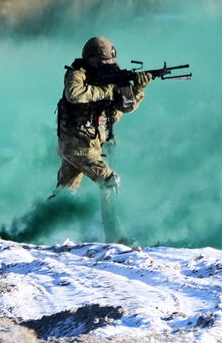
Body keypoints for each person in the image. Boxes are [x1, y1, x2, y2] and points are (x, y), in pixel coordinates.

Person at [51, 36, 152, 243]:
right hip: (76, 145)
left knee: (65, 195)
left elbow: (126, 106)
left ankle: (36, 229)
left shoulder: (114, 75)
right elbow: (74, 94)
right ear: (90, 59)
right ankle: (114, 237)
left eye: (110, 61)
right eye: (103, 61)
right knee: (109, 181)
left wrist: (138, 88)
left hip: (92, 145)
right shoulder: (77, 74)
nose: (109, 65)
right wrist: (104, 90)